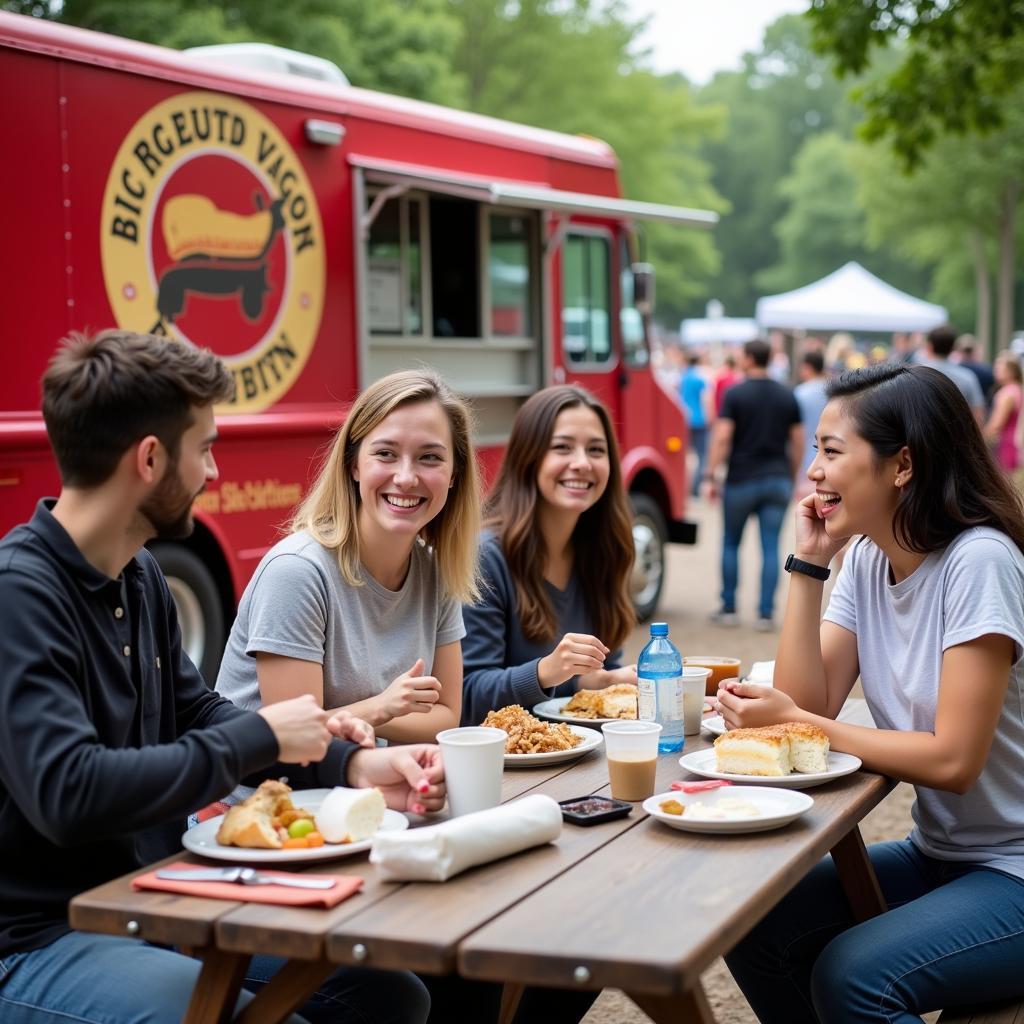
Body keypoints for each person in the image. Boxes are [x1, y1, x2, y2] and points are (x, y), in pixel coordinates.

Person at [0, 330, 445, 1024]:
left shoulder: (138, 573)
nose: (213, 472)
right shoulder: (20, 595)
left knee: (390, 996)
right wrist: (259, 738)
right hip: (37, 939)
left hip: (152, 894)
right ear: (150, 459)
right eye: (203, 447)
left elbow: (201, 714)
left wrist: (352, 763)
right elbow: (68, 792)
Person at [718, 362, 1024, 1023]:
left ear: (902, 465)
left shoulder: (980, 562)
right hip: (942, 854)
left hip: (1014, 871)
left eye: (831, 452)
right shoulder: (865, 557)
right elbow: (812, 704)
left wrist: (800, 719)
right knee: (750, 921)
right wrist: (809, 564)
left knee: (854, 977)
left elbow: (953, 760)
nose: (814, 472)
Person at [216, 370, 481, 765]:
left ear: (454, 475)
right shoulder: (298, 572)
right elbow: (291, 744)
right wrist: (381, 708)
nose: (406, 477)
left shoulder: (435, 571)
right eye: (385, 453)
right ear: (354, 464)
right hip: (263, 811)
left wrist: (377, 714)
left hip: (363, 794)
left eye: (429, 457)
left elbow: (445, 717)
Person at [460, 385, 636, 727]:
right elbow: (466, 695)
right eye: (562, 448)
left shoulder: (605, 552)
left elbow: (594, 677)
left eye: (596, 450)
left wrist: (609, 680)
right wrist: (546, 671)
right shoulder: (485, 558)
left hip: (584, 756)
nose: (582, 463)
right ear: (529, 457)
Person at [704, 339, 803, 631]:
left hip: (741, 479)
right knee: (771, 546)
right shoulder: (787, 395)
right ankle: (765, 613)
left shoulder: (735, 394)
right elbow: (798, 441)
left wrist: (710, 474)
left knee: (731, 543)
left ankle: (729, 607)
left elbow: (722, 437)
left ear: (748, 359)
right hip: (777, 478)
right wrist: (791, 473)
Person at [919, 324, 985, 423]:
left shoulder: (916, 375)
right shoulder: (967, 377)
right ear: (953, 347)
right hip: (958, 435)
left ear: (929, 346)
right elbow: (978, 414)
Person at [792, 350, 829, 501]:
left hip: (805, 461)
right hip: (830, 456)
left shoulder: (800, 393)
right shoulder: (833, 391)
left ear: (807, 367)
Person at [984, 350, 1022, 473]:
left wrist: (980, 439)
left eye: (1000, 369)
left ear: (1011, 371)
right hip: (1014, 443)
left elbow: (997, 424)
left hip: (1005, 444)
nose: (996, 372)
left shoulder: (1007, 393)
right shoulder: (1018, 388)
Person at [679, 351, 712, 496]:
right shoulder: (700, 379)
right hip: (699, 420)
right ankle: (695, 488)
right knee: (702, 455)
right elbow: (707, 399)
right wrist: (710, 417)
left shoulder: (682, 378)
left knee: (685, 455)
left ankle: (684, 487)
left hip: (684, 419)